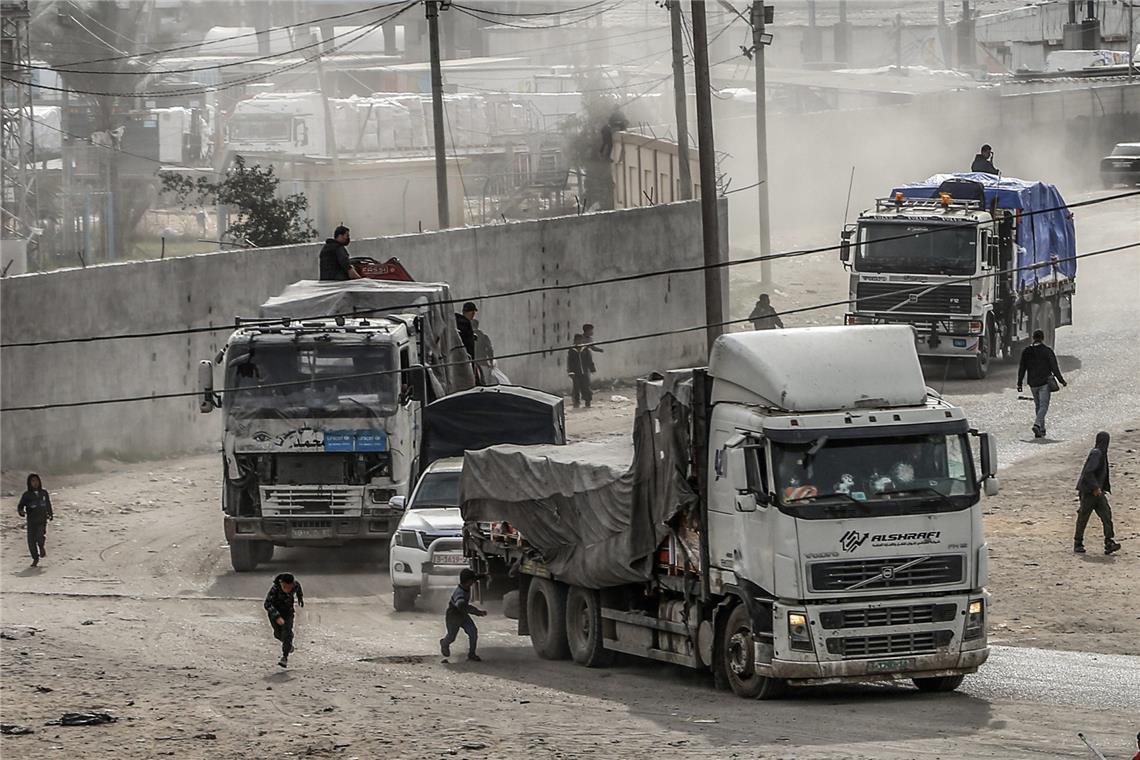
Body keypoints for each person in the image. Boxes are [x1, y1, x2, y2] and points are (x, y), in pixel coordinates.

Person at [1074, 431, 1121, 555]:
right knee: (1083, 517)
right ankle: (1078, 542)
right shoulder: (1097, 453)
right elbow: (1089, 472)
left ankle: (1109, 542)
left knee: (1106, 515)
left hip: (1099, 492)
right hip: (1089, 492)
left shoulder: (1101, 454)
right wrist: (1095, 487)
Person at [1017, 329, 1067, 438]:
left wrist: (1019, 383)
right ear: (1042, 338)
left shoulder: (1027, 351)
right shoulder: (1047, 351)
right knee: (1044, 406)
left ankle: (1041, 429)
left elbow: (1022, 368)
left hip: (1032, 383)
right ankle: (1037, 424)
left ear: (1033, 338)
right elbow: (1054, 368)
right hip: (1044, 383)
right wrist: (1061, 380)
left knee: (1038, 406)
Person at [439, 568, 486, 662]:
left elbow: (474, 578)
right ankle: (444, 643)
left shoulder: (465, 585)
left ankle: (472, 654)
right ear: (468, 581)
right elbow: (462, 606)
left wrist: (484, 575)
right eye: (472, 581)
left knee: (473, 632)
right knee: (451, 637)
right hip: (453, 616)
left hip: (462, 615)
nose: (473, 583)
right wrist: (477, 612)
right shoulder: (459, 594)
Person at [264, 572, 305, 668]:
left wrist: (300, 597)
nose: (288, 590)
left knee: (287, 632)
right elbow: (267, 604)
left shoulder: (295, 585)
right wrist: (277, 616)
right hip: (275, 613)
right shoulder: (275, 589)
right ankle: (288, 644)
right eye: (285, 587)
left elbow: (298, 588)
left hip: (288, 613)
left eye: (290, 588)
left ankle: (284, 657)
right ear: (281, 584)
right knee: (278, 634)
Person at [17, 473, 53, 567]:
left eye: (36, 480)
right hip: (31, 521)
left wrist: (50, 514)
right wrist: (21, 512)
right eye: (32, 481)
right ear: (29, 483)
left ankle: (41, 547)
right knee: (31, 541)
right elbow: (20, 506)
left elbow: (48, 504)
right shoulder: (26, 495)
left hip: (42, 519)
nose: (35, 483)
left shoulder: (44, 493)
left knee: (40, 536)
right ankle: (35, 558)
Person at [566, 333, 595, 409]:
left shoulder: (585, 349)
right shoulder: (572, 351)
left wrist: (592, 368)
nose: (579, 342)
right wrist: (570, 371)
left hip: (585, 372)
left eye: (580, 340)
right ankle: (576, 402)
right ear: (574, 341)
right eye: (577, 340)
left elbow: (589, 360)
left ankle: (587, 401)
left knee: (586, 387)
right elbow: (570, 362)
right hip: (575, 373)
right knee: (576, 388)